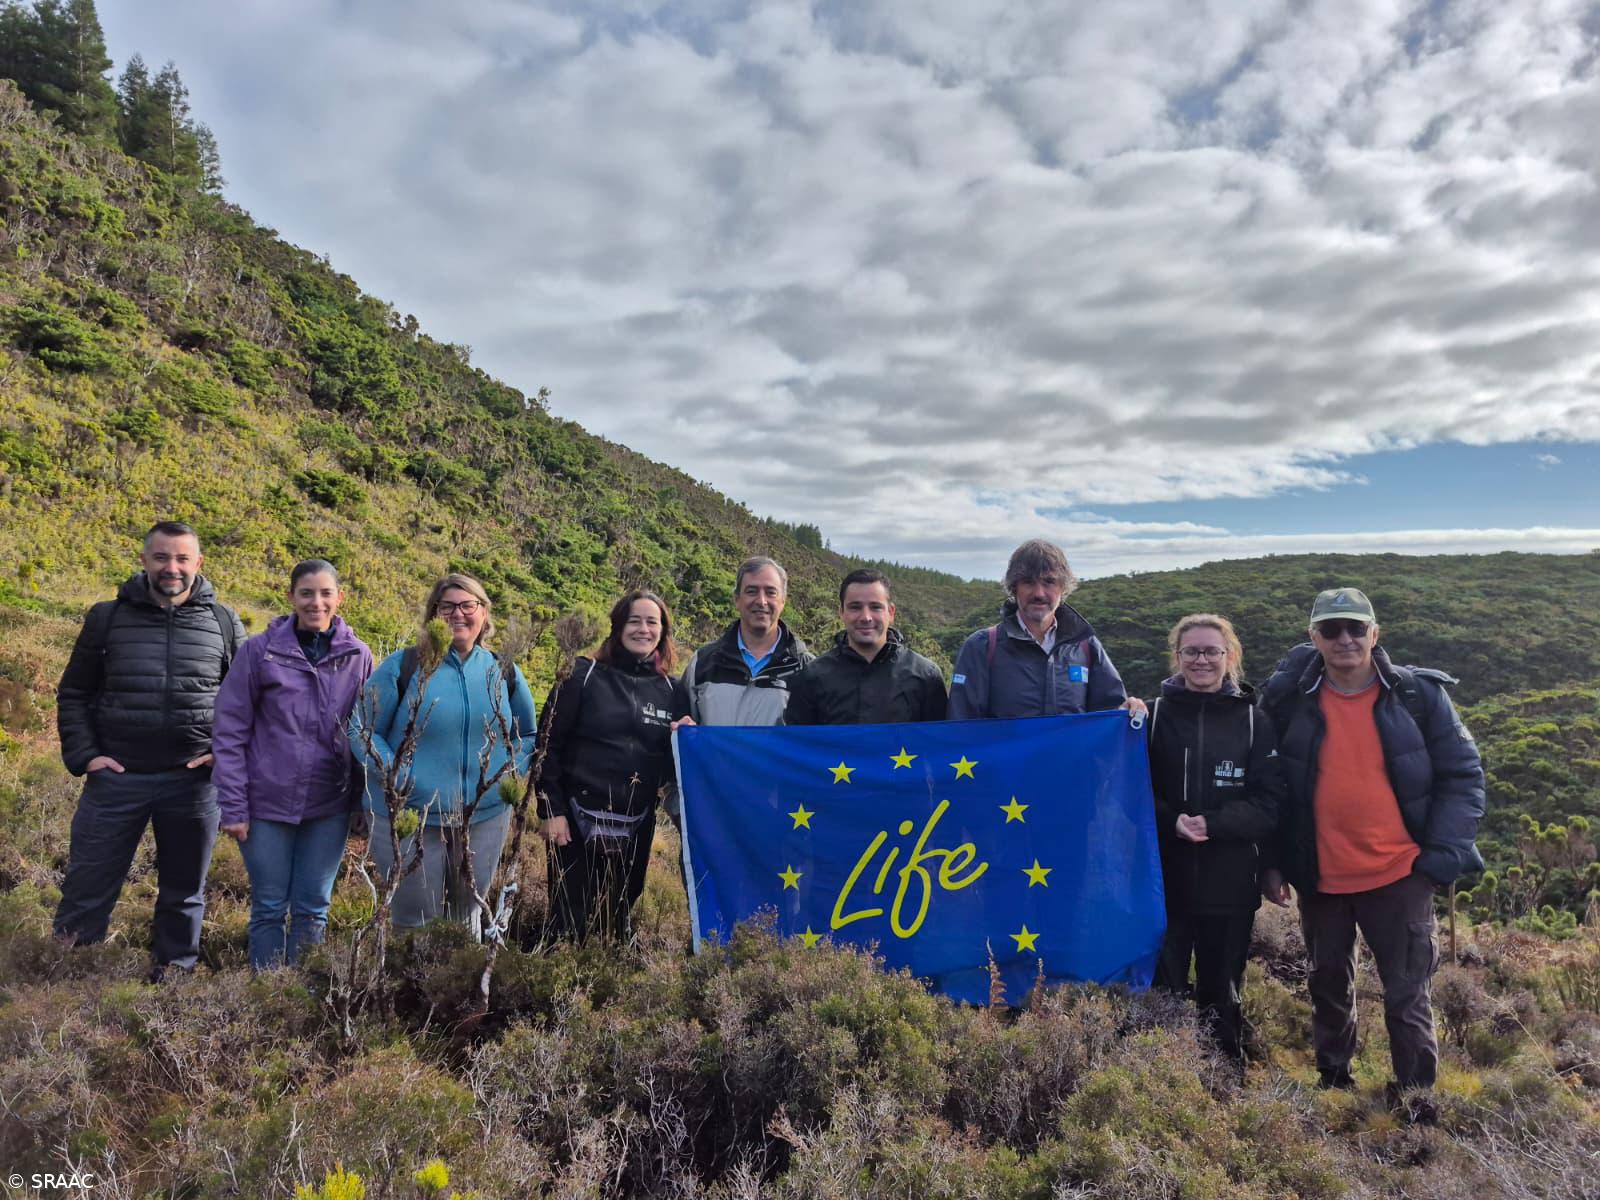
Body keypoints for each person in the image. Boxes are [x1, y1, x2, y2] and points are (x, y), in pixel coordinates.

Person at [1260, 587, 1484, 1107]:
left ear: (1374, 633)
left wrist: (1442, 856)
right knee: (1327, 985)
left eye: (1356, 628)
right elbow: (1270, 786)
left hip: (1400, 873)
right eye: (1331, 629)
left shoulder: (1418, 695)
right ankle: (1335, 1084)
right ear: (1314, 637)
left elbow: (1463, 776)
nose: (1345, 639)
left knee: (1407, 994)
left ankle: (1416, 1100)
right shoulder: (1289, 699)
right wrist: (1271, 862)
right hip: (1320, 876)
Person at [54, 520, 247, 979]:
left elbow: (247, 702)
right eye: (161, 557)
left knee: (184, 892)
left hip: (194, 783)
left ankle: (173, 978)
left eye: (182, 558)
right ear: (144, 560)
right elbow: (74, 693)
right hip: (116, 780)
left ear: (198, 562)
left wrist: (223, 755)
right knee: (87, 886)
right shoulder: (106, 617)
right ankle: (68, 978)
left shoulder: (223, 621)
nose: (171, 567)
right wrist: (87, 756)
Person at [350, 573, 537, 932]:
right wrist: (397, 776)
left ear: (484, 613)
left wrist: (507, 777)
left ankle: (461, 972)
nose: (458, 614)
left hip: (484, 816)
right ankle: (411, 972)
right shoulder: (403, 666)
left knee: (467, 916)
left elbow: (527, 734)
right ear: (433, 614)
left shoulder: (503, 670)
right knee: (414, 921)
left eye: (468, 605)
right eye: (447, 606)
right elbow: (361, 729)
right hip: (409, 815)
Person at [211, 560, 373, 970]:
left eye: (325, 593)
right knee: (268, 906)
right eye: (306, 593)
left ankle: (303, 994)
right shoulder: (259, 651)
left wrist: (361, 801)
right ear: (291, 597)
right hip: (265, 803)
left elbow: (365, 733)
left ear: (340, 598)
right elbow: (230, 730)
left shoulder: (358, 656)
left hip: (329, 805)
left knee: (313, 907)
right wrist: (233, 805)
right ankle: (267, 992)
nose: (316, 602)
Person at [1146, 613, 1284, 1067]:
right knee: (1162, 992)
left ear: (1230, 656)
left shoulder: (1254, 721)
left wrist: (1214, 824)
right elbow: (1132, 790)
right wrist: (1171, 821)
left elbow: (1270, 802)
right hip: (1163, 883)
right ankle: (1161, 1078)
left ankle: (1224, 1080)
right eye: (1191, 651)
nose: (1201, 660)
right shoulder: (1153, 716)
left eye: (1211, 651)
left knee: (1222, 992)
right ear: (1177, 656)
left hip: (1230, 884)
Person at [535, 590, 689, 942]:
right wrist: (551, 810)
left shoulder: (672, 689)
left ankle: (607, 973)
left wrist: (687, 738)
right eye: (634, 621)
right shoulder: (581, 675)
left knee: (616, 921)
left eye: (652, 622)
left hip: (636, 824)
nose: (643, 629)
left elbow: (671, 764)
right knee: (567, 919)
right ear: (618, 626)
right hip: (575, 820)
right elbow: (547, 746)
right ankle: (555, 973)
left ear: (663, 631)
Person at [948, 539, 1146, 720]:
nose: (1039, 593)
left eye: (1049, 582)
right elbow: (961, 728)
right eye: (1028, 582)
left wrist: (1128, 709)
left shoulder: (1086, 646)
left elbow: (1109, 718)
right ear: (1014, 587)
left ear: (1063, 587)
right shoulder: (982, 647)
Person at [783, 568, 947, 725]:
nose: (866, 617)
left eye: (875, 607)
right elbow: (798, 742)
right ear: (841, 612)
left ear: (891, 612)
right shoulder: (811, 677)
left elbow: (938, 740)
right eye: (855, 607)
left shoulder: (926, 676)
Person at [680, 556, 812, 725]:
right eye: (751, 591)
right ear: (737, 599)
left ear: (783, 601)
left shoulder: (808, 670)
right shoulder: (701, 663)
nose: (761, 601)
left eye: (771, 592)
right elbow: (680, 724)